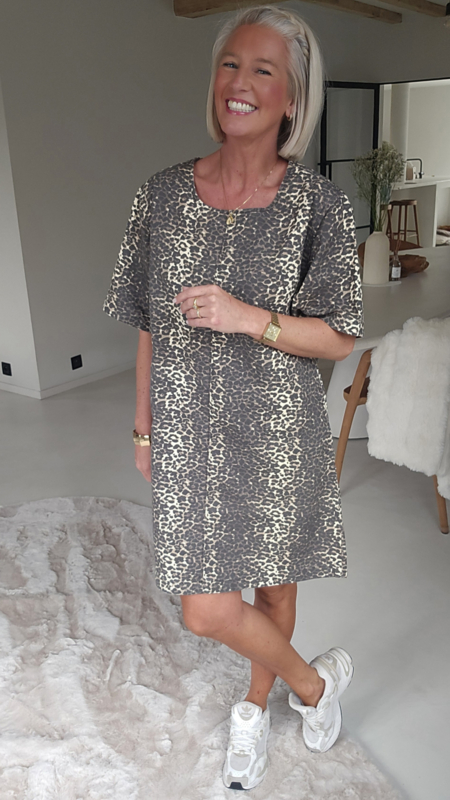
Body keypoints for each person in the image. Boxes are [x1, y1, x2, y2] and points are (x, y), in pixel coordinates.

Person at [103, 4, 364, 792]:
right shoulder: (161, 194)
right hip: (188, 431)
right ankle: (314, 686)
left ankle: (254, 707)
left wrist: (250, 318)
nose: (239, 83)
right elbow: (148, 320)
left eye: (262, 70)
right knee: (206, 607)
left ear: (292, 99)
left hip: (279, 431)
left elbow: (340, 336)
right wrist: (144, 428)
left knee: (274, 584)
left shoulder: (319, 204)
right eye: (230, 64)